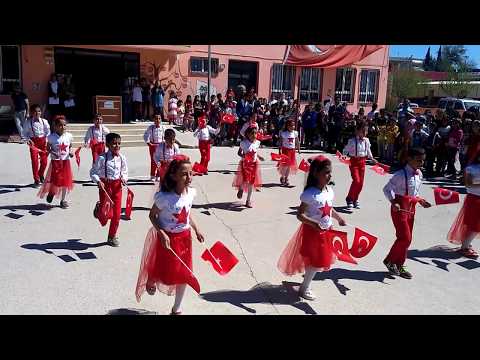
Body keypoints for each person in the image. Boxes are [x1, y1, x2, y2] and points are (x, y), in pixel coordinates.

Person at [135, 156, 205, 315]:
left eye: (190, 173)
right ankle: (151, 278)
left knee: (184, 272)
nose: (189, 177)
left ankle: (177, 308)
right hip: (168, 238)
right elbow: (152, 216)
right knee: (164, 270)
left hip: (185, 238)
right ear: (174, 176)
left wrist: (196, 229)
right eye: (184, 174)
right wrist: (161, 233)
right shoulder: (165, 198)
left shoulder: (190, 193)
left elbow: (186, 214)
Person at [277, 155, 347, 300]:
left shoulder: (329, 191)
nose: (329, 176)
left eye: (330, 172)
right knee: (315, 262)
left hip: (326, 231)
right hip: (313, 232)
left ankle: (305, 284)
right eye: (326, 173)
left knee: (317, 261)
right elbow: (300, 215)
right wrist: (314, 224)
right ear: (316, 174)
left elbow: (329, 209)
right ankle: (304, 288)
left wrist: (339, 218)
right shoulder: (309, 194)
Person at [382, 147, 432, 279]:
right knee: (405, 238)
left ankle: (399, 264)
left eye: (423, 161)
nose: (421, 163)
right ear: (409, 159)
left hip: (411, 208)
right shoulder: (400, 174)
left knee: (407, 240)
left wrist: (421, 200)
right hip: (399, 209)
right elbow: (387, 189)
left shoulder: (419, 174)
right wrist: (393, 202)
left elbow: (414, 194)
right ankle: (389, 260)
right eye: (418, 160)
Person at [90, 133, 128, 247]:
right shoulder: (102, 158)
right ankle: (99, 209)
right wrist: (98, 181)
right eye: (114, 144)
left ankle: (111, 236)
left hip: (117, 187)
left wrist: (124, 178)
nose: (117, 146)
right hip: (105, 187)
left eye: (119, 144)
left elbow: (125, 171)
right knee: (104, 218)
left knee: (116, 214)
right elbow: (93, 172)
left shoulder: (122, 158)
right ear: (108, 145)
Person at [447, 150, 480, 259]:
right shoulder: (471, 168)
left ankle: (466, 244)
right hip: (475, 199)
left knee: (473, 224)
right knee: (475, 225)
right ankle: (465, 247)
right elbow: (469, 184)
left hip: (475, 199)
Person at [37, 115, 74, 209]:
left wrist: (70, 152)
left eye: (64, 125)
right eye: (60, 125)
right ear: (55, 126)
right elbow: (48, 148)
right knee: (56, 180)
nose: (63, 127)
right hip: (56, 162)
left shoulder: (69, 136)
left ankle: (63, 200)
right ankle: (52, 192)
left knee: (66, 181)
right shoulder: (51, 137)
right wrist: (52, 152)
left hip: (66, 162)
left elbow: (70, 146)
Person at [343, 121, 375, 209]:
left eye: (366, 131)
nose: (365, 133)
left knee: (361, 183)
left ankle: (355, 199)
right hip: (354, 162)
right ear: (357, 131)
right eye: (363, 131)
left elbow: (368, 151)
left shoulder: (366, 141)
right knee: (356, 181)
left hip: (362, 162)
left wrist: (372, 158)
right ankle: (349, 199)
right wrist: (344, 155)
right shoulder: (352, 141)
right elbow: (346, 150)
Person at [232, 126, 264, 208]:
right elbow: (239, 153)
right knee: (246, 180)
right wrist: (245, 156)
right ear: (247, 134)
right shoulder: (243, 143)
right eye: (252, 133)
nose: (254, 135)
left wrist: (259, 157)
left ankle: (248, 200)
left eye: (255, 133)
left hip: (254, 165)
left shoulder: (257, 143)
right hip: (245, 164)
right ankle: (241, 188)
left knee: (251, 182)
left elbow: (255, 152)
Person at [23, 104, 51, 187]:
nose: (37, 113)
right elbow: (24, 134)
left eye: (38, 111)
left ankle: (40, 174)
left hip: (43, 142)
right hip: (34, 143)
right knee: (35, 161)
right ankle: (36, 179)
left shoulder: (44, 121)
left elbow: (48, 131)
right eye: (35, 111)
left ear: (41, 112)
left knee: (44, 162)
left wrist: (47, 140)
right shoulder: (28, 122)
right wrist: (28, 140)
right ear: (31, 113)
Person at [277, 119, 300, 186]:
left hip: (292, 151)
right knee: (285, 166)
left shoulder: (295, 133)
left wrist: (298, 148)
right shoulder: (284, 133)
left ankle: (286, 178)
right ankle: (283, 177)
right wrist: (279, 150)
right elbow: (280, 142)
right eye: (291, 125)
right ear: (287, 126)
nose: (292, 127)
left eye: (293, 125)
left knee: (289, 166)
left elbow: (297, 141)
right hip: (285, 151)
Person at [144, 114, 165, 181]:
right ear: (153, 120)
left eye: (159, 118)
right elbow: (145, 135)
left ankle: (158, 175)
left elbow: (165, 136)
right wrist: (148, 143)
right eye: (156, 119)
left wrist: (164, 143)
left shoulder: (163, 127)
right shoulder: (151, 127)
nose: (158, 120)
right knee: (153, 161)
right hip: (153, 145)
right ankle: (152, 175)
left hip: (161, 145)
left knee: (160, 161)